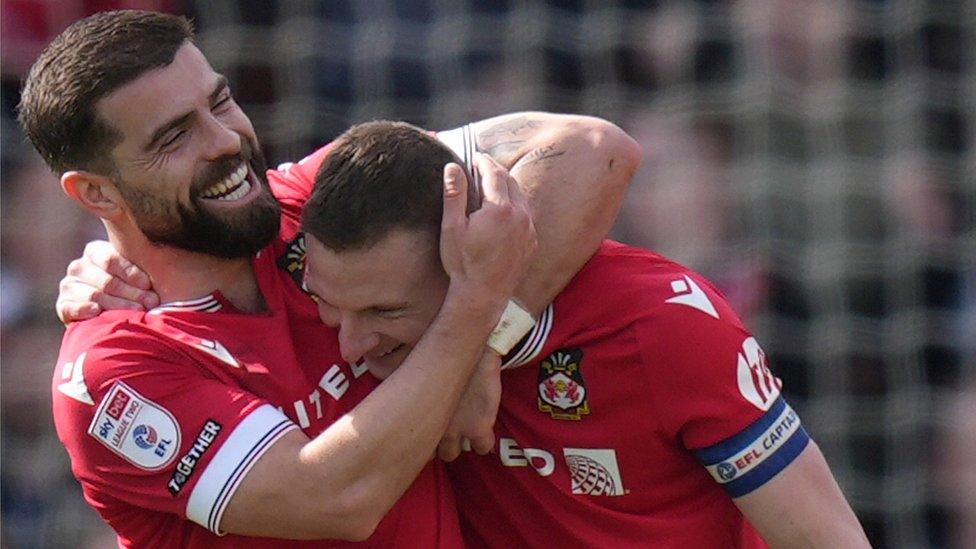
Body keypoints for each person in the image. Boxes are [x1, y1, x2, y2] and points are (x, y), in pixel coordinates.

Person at [22, 10, 641, 548]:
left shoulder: (317, 204)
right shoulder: (113, 372)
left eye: (220, 102)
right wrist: (471, 309)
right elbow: (339, 497)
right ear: (96, 192)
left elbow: (593, 149)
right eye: (174, 137)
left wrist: (484, 348)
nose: (227, 141)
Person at [298, 121, 871, 547]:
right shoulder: (335, 345)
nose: (349, 345)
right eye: (328, 304)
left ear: (470, 253)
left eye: (385, 311)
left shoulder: (661, 325)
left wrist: (479, 347)